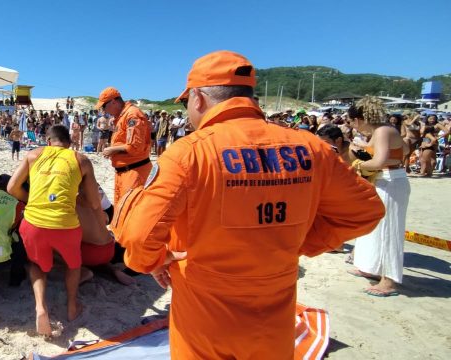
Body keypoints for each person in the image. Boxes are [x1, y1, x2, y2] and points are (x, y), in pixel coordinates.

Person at [111, 51, 385, 359]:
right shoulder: (312, 148)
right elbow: (366, 211)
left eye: (186, 102)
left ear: (198, 98)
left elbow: (138, 238)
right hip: (274, 314)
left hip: (204, 313)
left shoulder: (189, 153)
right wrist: (302, 242)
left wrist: (155, 259)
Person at [7, 125, 101, 337]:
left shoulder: (34, 154)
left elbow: (12, 187)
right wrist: (75, 198)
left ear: (48, 141)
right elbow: (95, 202)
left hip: (34, 224)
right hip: (65, 225)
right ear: (69, 143)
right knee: (73, 264)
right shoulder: (81, 159)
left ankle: (41, 307)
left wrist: (34, 200)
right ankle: (71, 306)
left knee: (37, 264)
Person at [345, 96, 411, 297]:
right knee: (374, 226)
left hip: (390, 181)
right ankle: (369, 266)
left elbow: (378, 161)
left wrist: (357, 164)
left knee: (390, 229)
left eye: (353, 121)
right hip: (387, 179)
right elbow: (405, 150)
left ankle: (389, 281)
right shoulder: (383, 131)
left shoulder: (382, 131)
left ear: (359, 119)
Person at [96, 87, 152, 204]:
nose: (104, 111)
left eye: (104, 107)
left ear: (113, 102)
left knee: (130, 211)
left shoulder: (132, 115)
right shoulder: (121, 116)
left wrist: (112, 150)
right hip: (123, 172)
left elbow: (135, 147)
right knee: (121, 210)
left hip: (134, 172)